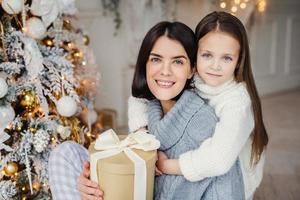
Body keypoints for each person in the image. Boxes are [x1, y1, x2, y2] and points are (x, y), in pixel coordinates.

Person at [49, 21, 244, 200]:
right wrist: (92, 182)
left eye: (178, 61)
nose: (165, 71)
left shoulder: (202, 125)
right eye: (156, 59)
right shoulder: (151, 106)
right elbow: (138, 100)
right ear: (146, 64)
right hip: (134, 189)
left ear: (191, 69)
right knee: (65, 153)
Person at [128, 11, 269, 200]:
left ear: (238, 61)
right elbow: (139, 97)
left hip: (234, 172)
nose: (215, 66)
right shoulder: (194, 75)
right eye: (207, 55)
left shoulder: (237, 102)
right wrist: (143, 138)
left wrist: (164, 165)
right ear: (195, 58)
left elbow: (218, 160)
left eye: (226, 58)